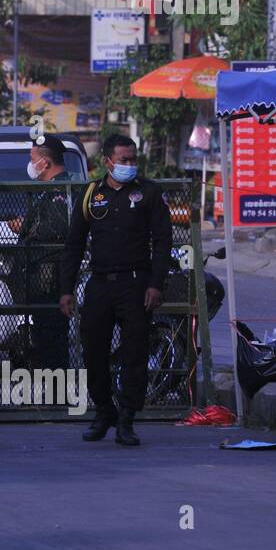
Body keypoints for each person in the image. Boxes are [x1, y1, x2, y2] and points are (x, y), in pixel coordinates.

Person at [59, 134, 172, 447]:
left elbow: (163, 242)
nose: (129, 165)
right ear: (107, 162)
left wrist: (155, 284)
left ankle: (127, 418)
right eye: (123, 160)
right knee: (93, 349)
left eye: (133, 159)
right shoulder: (92, 194)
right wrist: (66, 289)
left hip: (136, 285)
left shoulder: (148, 192)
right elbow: (74, 244)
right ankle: (104, 410)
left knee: (134, 353)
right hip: (99, 285)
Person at [9, 134, 74, 372]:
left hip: (51, 277)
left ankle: (58, 395)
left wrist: (26, 227)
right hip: (40, 278)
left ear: (44, 163)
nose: (30, 164)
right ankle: (54, 391)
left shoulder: (60, 190)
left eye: (32, 158)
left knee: (52, 336)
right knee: (44, 336)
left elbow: (59, 227)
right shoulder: (47, 189)